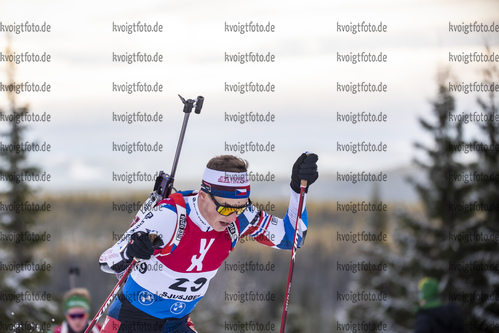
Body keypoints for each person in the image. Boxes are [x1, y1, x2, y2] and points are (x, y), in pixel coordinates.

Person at [98, 153, 318, 332]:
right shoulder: (170, 216)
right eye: (225, 207)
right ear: (203, 196)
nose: (233, 216)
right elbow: (107, 261)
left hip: (176, 325)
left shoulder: (242, 217)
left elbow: (292, 238)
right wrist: (131, 249)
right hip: (132, 320)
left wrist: (298, 190)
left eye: (240, 207)